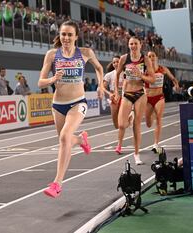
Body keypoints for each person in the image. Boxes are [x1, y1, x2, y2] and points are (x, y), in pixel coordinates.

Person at [38, 20, 104, 198]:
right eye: (63, 34)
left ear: (76, 36)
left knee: (64, 137)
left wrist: (101, 86)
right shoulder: (52, 55)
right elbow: (40, 81)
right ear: (59, 35)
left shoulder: (84, 53)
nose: (66, 37)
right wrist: (53, 79)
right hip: (58, 105)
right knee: (65, 141)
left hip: (78, 102)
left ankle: (57, 184)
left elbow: (99, 68)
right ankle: (81, 141)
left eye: (69, 34)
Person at [114, 36, 155, 165]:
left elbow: (152, 79)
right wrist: (117, 91)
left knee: (137, 126)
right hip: (127, 93)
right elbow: (117, 74)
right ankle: (129, 117)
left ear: (140, 45)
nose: (133, 46)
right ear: (128, 45)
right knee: (121, 125)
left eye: (135, 44)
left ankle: (136, 154)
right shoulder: (124, 58)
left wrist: (141, 75)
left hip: (140, 94)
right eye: (131, 44)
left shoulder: (145, 59)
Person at [145, 51, 179, 152]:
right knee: (148, 123)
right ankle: (151, 116)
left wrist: (176, 84)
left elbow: (173, 78)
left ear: (156, 57)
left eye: (153, 56)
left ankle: (156, 143)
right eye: (149, 56)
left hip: (159, 97)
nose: (151, 58)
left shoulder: (163, 69)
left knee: (159, 119)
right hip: (147, 98)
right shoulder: (144, 69)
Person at [103, 55, 124, 129]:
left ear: (121, 62)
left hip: (125, 97)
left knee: (122, 120)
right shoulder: (109, 75)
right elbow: (102, 87)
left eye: (117, 62)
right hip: (114, 98)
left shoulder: (126, 73)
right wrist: (110, 94)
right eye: (114, 62)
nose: (115, 64)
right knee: (115, 123)